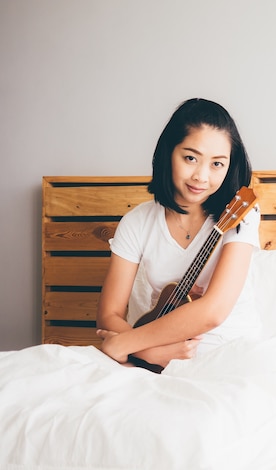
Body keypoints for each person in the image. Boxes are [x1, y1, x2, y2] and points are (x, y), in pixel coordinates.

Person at [96, 98, 260, 370]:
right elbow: (109, 313)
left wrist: (124, 345)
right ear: (168, 153)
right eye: (191, 158)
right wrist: (149, 353)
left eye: (217, 164)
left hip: (230, 355)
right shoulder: (137, 222)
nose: (201, 176)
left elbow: (213, 311)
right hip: (151, 362)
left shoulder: (240, 214)